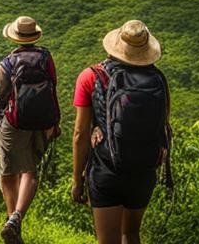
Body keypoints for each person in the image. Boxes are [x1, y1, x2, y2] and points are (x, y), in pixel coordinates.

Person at [70, 20, 172, 244]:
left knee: (109, 240)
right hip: (144, 170)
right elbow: (162, 125)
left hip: (106, 169)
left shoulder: (91, 76)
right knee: (131, 234)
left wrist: (77, 179)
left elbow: (79, 134)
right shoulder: (157, 79)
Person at [0, 16, 61, 244]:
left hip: (15, 122)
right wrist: (54, 121)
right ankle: (16, 219)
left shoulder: (8, 63)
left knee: (8, 172)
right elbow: (53, 87)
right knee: (30, 171)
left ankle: (12, 219)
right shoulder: (46, 58)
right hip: (43, 122)